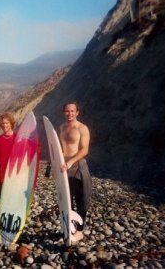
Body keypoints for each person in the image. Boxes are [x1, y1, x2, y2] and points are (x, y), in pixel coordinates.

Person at [59, 101, 92, 244]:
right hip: (64, 168)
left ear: (77, 112)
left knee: (81, 200)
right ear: (63, 112)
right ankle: (71, 227)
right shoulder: (61, 127)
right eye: (67, 111)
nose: (70, 113)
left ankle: (80, 231)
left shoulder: (82, 128)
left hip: (78, 167)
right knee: (67, 200)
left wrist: (71, 161)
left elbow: (84, 150)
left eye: (72, 111)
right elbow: (60, 147)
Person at [0, 112, 16, 201]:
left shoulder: (18, 138)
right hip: (2, 178)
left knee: (14, 203)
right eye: (2, 123)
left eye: (7, 123)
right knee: (3, 204)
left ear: (11, 123)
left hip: (15, 177)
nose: (4, 125)